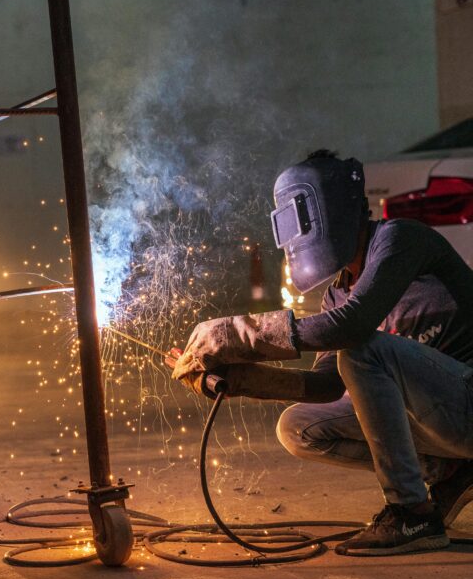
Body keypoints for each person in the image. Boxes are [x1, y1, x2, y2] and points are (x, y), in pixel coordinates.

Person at [172, 149, 473, 556]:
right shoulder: (337, 293)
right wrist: (238, 379)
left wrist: (237, 334)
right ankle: (448, 470)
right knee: (297, 427)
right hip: (440, 424)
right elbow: (327, 386)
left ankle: (412, 514)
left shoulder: (401, 239)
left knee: (361, 350)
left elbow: (351, 327)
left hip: (467, 400)